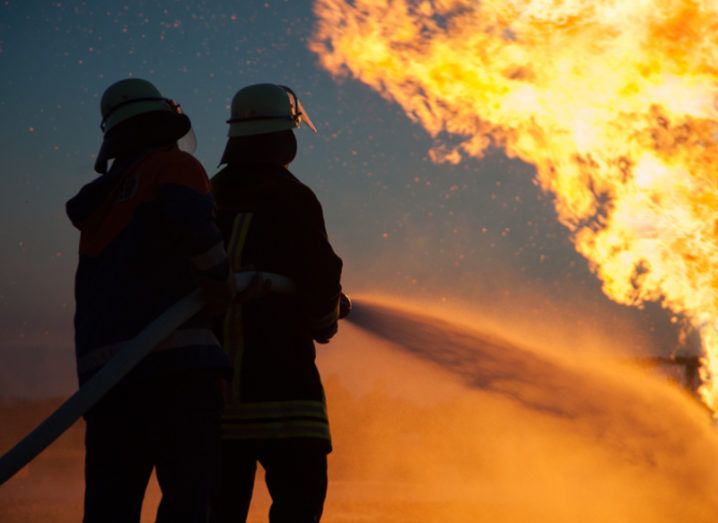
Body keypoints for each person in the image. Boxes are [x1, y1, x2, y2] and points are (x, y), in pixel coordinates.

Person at [66, 78, 235, 523]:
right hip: (178, 374)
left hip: (108, 382)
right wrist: (223, 282)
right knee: (189, 502)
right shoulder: (171, 166)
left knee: (110, 506)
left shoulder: (104, 200)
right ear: (163, 123)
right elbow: (197, 229)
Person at [209, 83, 344, 523]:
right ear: (284, 138)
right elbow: (321, 280)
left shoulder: (204, 196)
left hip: (212, 402)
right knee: (298, 506)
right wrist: (326, 318)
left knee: (215, 510)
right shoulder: (293, 198)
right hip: (286, 398)